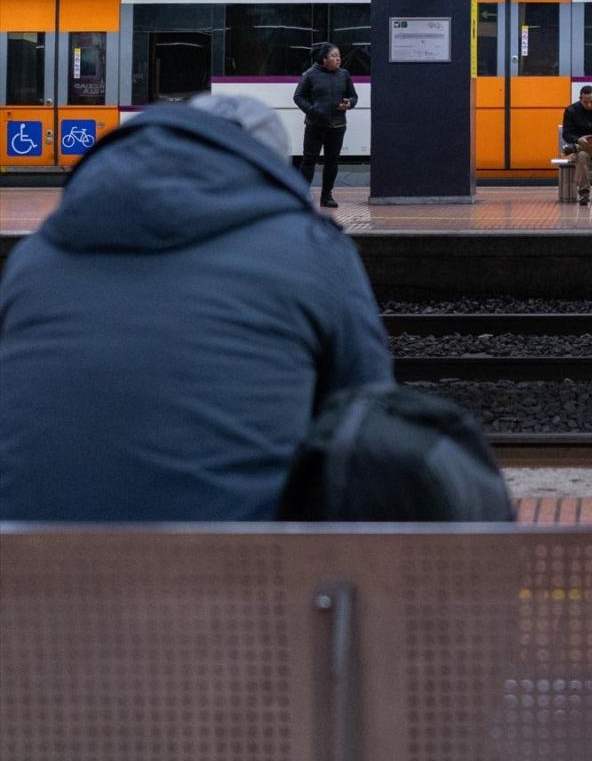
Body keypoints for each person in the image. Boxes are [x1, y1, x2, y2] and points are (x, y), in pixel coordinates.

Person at [0, 94, 394, 522]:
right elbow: (368, 416)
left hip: (26, 565)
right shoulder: (314, 250)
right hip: (241, 569)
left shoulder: (35, 256)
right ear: (267, 171)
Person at [292, 41, 358, 208]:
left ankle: (326, 196)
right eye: (334, 56)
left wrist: (349, 103)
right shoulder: (310, 75)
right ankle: (303, 195)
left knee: (332, 161)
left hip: (337, 126)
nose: (338, 59)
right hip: (315, 125)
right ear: (323, 59)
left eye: (339, 56)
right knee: (309, 160)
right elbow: (298, 97)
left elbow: (354, 97)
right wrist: (312, 110)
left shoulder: (344, 75)